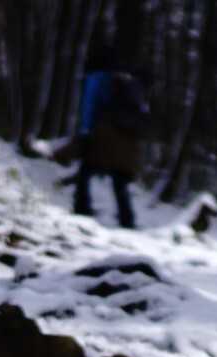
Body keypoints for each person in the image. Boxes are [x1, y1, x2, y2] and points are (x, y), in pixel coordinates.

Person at [74, 46, 148, 228]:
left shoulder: (97, 78)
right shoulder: (125, 81)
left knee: (86, 169)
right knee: (119, 177)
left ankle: (81, 207)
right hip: (127, 137)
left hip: (105, 133)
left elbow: (89, 105)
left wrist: (85, 131)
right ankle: (127, 219)